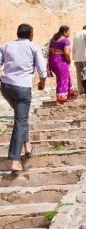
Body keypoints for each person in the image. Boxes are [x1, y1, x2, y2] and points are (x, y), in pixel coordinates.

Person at [0, 24, 47, 174]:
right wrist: (42, 83)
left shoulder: (6, 45)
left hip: (6, 87)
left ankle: (27, 145)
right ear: (31, 35)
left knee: (21, 116)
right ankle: (14, 160)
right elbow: (42, 70)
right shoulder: (33, 47)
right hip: (22, 89)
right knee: (20, 120)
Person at [48, 25, 74, 105]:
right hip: (60, 61)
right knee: (63, 79)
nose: (69, 33)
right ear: (64, 32)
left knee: (63, 77)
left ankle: (67, 95)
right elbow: (66, 53)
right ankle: (60, 100)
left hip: (52, 61)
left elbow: (50, 50)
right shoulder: (65, 40)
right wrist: (69, 61)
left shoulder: (53, 39)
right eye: (69, 32)